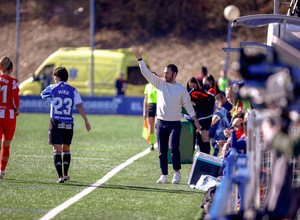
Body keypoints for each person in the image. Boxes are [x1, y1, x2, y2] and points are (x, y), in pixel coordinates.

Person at [134, 49, 201, 184]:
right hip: (161, 122)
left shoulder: (181, 89)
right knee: (162, 150)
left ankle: (177, 172)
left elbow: (188, 106)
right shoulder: (159, 83)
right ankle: (163, 175)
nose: (165, 75)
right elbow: (147, 74)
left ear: (174, 74)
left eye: (167, 73)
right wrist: (140, 60)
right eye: (164, 73)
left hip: (175, 123)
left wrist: (196, 122)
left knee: (174, 147)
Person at [41, 67, 91, 183]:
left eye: (54, 77)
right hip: (68, 123)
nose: (54, 79)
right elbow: (79, 106)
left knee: (57, 149)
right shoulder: (73, 90)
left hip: (56, 122)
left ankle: (60, 176)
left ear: (57, 78)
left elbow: (42, 95)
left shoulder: (52, 87)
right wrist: (86, 121)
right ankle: (66, 173)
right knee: (66, 148)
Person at [0, 57, 20, 179]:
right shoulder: (13, 82)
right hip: (9, 116)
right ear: (11, 69)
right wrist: (17, 108)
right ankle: (1, 171)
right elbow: (15, 97)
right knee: (6, 145)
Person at [185, 77, 215, 154]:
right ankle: (202, 158)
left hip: (205, 117)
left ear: (196, 84)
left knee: (204, 138)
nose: (192, 88)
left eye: (193, 85)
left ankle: (207, 158)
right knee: (200, 138)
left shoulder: (201, 92)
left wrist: (196, 104)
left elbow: (208, 104)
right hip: (199, 117)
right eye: (190, 86)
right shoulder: (189, 93)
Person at [143, 80, 157, 151]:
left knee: (157, 126)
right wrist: (144, 112)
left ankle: (160, 143)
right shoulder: (147, 86)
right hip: (150, 106)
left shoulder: (158, 86)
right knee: (150, 126)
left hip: (158, 106)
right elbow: (145, 99)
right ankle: (151, 144)